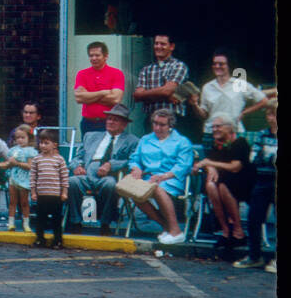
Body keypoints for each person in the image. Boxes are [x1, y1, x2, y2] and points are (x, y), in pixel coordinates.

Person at [65, 102, 138, 234]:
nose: (110, 122)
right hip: (87, 172)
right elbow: (76, 158)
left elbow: (131, 161)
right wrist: (77, 166)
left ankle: (105, 223)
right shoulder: (91, 136)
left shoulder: (132, 140)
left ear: (124, 124)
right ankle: (75, 222)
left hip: (110, 175)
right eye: (109, 118)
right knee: (72, 182)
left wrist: (111, 164)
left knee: (110, 185)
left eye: (115, 120)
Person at [125, 109, 194, 244]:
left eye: (162, 125)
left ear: (170, 126)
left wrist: (163, 177)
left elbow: (183, 166)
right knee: (134, 192)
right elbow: (134, 159)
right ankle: (166, 227)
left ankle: (176, 231)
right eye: (155, 123)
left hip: (172, 179)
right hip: (147, 179)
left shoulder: (181, 141)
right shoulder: (145, 139)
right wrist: (136, 168)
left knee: (156, 188)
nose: (157, 128)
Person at [193, 114, 255, 259]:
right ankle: (226, 231)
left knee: (222, 186)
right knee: (211, 185)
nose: (214, 129)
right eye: (213, 126)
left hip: (243, 183)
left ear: (230, 127)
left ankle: (238, 231)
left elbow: (235, 167)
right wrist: (210, 167)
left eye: (218, 126)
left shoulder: (240, 143)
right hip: (223, 183)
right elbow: (207, 163)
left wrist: (210, 163)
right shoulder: (217, 144)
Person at [235, 101, 276, 271]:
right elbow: (254, 157)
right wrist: (270, 158)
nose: (272, 118)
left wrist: (268, 156)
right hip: (263, 180)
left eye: (274, 114)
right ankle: (254, 256)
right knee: (253, 219)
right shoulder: (262, 134)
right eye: (269, 114)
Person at [189, 49, 268, 134]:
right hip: (212, 132)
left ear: (229, 65)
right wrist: (195, 104)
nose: (217, 66)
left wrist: (244, 113)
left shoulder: (239, 84)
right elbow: (204, 115)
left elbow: (264, 101)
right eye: (214, 64)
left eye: (221, 64)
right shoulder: (207, 87)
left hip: (234, 131)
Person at [133, 32, 190, 129]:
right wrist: (165, 95)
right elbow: (137, 96)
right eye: (156, 43)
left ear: (171, 46)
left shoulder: (178, 66)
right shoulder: (146, 69)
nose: (158, 46)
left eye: (163, 44)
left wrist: (147, 96)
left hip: (172, 120)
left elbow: (167, 91)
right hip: (151, 119)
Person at [73, 40, 125, 137]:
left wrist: (89, 97)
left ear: (106, 56)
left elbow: (115, 99)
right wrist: (103, 92)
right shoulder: (82, 74)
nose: (94, 58)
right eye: (91, 55)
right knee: (88, 151)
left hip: (109, 122)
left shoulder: (117, 73)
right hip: (88, 122)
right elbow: (79, 98)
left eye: (97, 55)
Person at [29, 129, 70, 249]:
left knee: (56, 219)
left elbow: (64, 177)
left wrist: (64, 192)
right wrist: (33, 192)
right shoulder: (37, 159)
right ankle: (40, 239)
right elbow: (33, 177)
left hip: (55, 195)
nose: (43, 146)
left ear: (54, 145)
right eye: (41, 143)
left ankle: (57, 240)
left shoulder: (59, 159)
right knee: (40, 218)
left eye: (46, 143)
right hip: (42, 194)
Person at [5, 124, 37, 232]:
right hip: (13, 178)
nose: (20, 140)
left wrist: (17, 163)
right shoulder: (13, 150)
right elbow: (8, 163)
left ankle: (26, 223)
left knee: (24, 202)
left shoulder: (31, 151)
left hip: (24, 179)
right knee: (12, 201)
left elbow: (30, 166)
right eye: (17, 138)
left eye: (23, 137)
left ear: (29, 138)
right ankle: (11, 223)